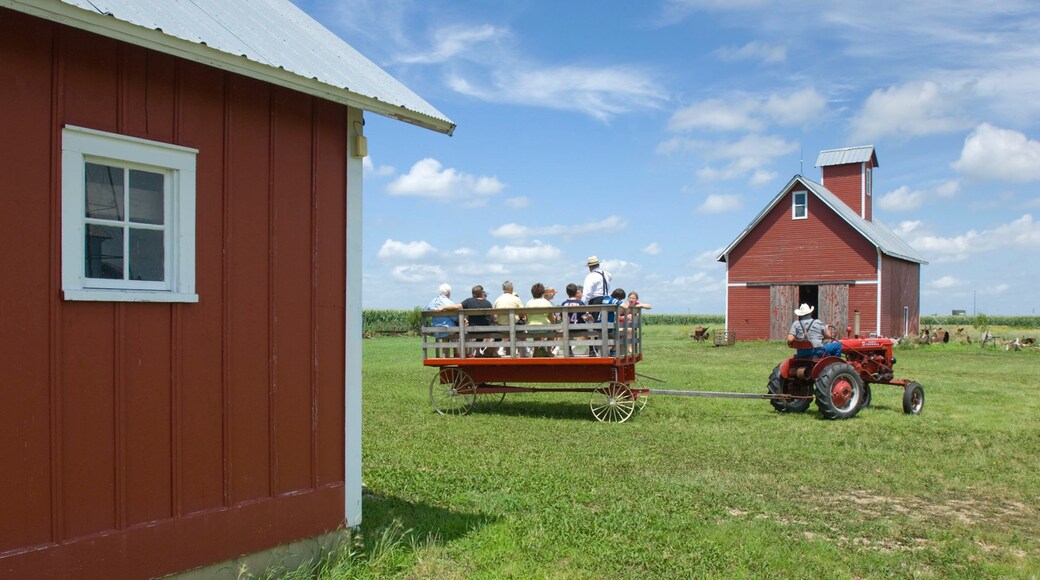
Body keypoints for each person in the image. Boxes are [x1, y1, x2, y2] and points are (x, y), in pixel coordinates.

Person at [424, 283, 463, 357]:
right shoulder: (448, 302)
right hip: (448, 330)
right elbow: (455, 318)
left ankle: (446, 355)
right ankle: (457, 353)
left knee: (447, 334)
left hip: (436, 330)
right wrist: (463, 320)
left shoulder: (433, 301)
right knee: (458, 331)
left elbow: (427, 310)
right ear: (448, 293)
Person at [525, 283, 557, 357]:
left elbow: (526, 318)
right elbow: (551, 318)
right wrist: (554, 325)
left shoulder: (528, 303)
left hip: (531, 328)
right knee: (552, 331)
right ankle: (549, 351)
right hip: (544, 327)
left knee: (536, 332)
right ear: (543, 292)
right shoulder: (547, 303)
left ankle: (535, 351)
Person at [493, 280, 524, 356]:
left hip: (501, 327)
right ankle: (522, 353)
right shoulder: (516, 299)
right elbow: (522, 314)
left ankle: (504, 352)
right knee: (523, 328)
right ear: (511, 289)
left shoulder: (497, 300)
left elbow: (494, 316)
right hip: (514, 326)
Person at [561, 282, 592, 356]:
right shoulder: (580, 303)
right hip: (580, 326)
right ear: (576, 292)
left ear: (567, 293)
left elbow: (562, 317)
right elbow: (585, 316)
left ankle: (569, 350)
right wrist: (590, 318)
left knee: (568, 334)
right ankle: (591, 350)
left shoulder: (564, 304)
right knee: (590, 331)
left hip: (568, 327)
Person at [461, 285, 494, 356]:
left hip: (472, 330)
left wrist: (443, 307)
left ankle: (477, 351)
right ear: (481, 293)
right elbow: (492, 318)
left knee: (476, 329)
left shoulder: (468, 301)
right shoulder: (488, 303)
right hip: (486, 330)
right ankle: (487, 350)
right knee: (496, 331)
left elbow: (457, 307)